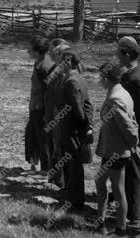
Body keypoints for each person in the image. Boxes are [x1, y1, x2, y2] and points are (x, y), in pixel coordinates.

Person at [94, 62, 140, 236]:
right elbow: (133, 118)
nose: (98, 80)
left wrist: (133, 145)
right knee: (100, 182)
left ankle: (121, 229)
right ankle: (101, 222)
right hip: (111, 150)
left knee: (118, 189)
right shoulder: (122, 92)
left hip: (117, 152)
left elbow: (128, 126)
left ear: (106, 78)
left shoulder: (115, 98)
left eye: (100, 77)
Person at [116, 36, 140, 229]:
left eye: (119, 52)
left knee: (134, 175)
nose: (116, 56)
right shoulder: (135, 73)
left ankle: (136, 216)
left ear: (127, 54)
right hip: (132, 132)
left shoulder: (135, 78)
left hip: (135, 133)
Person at [58, 50, 93, 211]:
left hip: (72, 129)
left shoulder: (71, 80)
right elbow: (88, 105)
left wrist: (82, 126)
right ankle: (72, 197)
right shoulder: (79, 78)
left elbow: (78, 110)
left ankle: (75, 201)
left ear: (69, 62)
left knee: (73, 165)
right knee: (73, 164)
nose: (60, 63)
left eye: (62, 61)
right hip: (76, 129)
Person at [44, 38, 70, 189]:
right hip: (51, 114)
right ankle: (54, 176)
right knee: (52, 146)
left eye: (55, 52)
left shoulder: (64, 74)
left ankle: (60, 181)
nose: (52, 54)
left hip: (58, 116)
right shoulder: (56, 69)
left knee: (58, 147)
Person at [25, 35, 53, 174]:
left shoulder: (44, 67)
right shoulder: (39, 62)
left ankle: (46, 169)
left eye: (29, 49)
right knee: (32, 133)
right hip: (35, 106)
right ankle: (34, 163)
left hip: (40, 109)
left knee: (42, 138)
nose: (27, 51)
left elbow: (48, 92)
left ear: (37, 51)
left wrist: (46, 113)